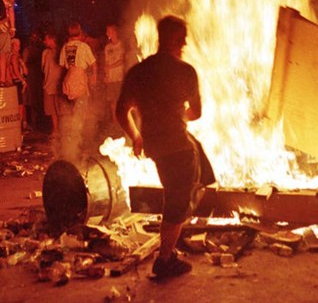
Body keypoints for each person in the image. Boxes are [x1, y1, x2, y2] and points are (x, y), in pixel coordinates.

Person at [115, 15, 216, 279]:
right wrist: (180, 114)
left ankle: (176, 229)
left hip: (156, 146)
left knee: (202, 171)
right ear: (173, 38)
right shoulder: (185, 71)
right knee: (176, 201)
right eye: (182, 39)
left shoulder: (138, 72)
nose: (184, 43)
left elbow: (120, 111)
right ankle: (165, 259)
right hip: (177, 150)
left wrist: (137, 137)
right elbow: (196, 112)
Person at [59, 22, 97, 163]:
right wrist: (93, 77)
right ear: (79, 32)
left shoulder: (65, 47)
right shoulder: (84, 46)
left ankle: (71, 144)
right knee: (81, 111)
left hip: (69, 79)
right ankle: (79, 145)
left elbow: (62, 64)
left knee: (72, 111)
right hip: (80, 79)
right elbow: (93, 63)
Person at [103, 24, 126, 129]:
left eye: (109, 31)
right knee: (112, 102)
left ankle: (124, 122)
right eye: (107, 31)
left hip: (120, 77)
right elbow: (106, 62)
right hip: (111, 78)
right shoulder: (107, 47)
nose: (107, 33)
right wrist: (106, 75)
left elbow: (122, 60)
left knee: (121, 101)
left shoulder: (121, 45)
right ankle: (114, 122)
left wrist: (111, 67)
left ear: (114, 32)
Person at [41, 30, 62, 136]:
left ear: (52, 39)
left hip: (58, 84)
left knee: (60, 109)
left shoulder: (60, 51)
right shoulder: (45, 53)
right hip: (48, 84)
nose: (45, 41)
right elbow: (43, 67)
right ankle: (56, 130)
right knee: (51, 110)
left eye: (46, 39)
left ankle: (63, 130)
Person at [8, 37, 29, 131]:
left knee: (21, 105)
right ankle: (18, 130)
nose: (19, 48)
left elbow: (25, 72)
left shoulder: (17, 57)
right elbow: (16, 71)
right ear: (12, 45)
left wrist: (23, 65)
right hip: (16, 82)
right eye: (17, 45)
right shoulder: (13, 56)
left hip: (18, 82)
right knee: (19, 107)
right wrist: (23, 81)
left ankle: (20, 128)